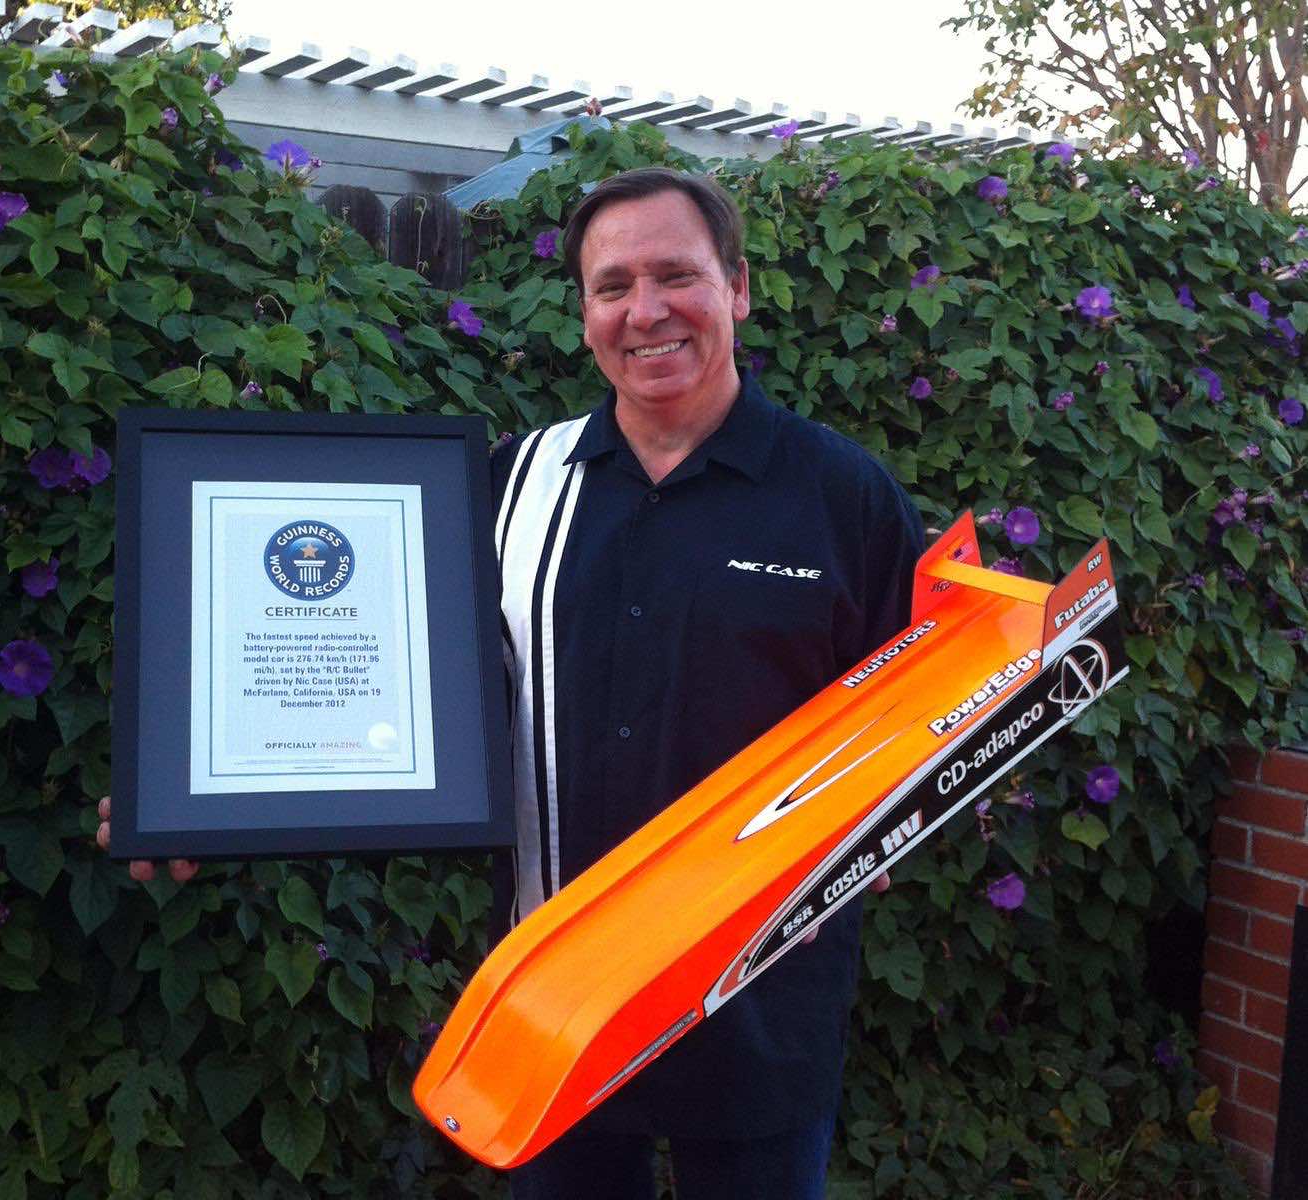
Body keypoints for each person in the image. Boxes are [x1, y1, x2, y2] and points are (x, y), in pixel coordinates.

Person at [100, 165, 925, 1200]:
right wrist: (189, 797)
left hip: (761, 1001)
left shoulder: (843, 495)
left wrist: (894, 818)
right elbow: (383, 686)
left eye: (676, 275)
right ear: (583, 312)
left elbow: (918, 711)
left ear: (738, 288)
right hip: (551, 1005)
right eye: (612, 286)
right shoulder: (509, 484)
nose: (645, 311)